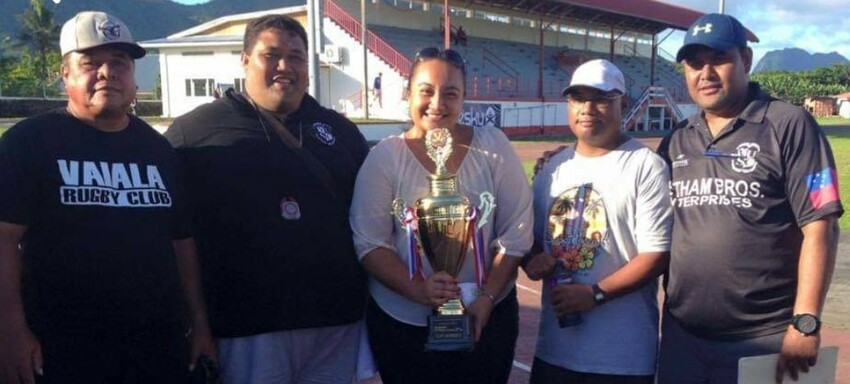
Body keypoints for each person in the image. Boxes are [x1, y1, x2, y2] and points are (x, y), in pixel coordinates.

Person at [0, 11, 215, 384]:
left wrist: (200, 325)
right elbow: (3, 239)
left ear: (132, 77)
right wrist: (10, 331)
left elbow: (182, 242)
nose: (107, 72)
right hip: (62, 348)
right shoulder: (30, 142)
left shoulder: (158, 150)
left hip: (156, 348)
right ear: (64, 73)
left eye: (119, 63)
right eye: (91, 63)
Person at [164, 14, 369, 383]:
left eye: (295, 57)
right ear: (244, 60)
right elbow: (176, 236)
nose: (284, 67)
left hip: (337, 323)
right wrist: (195, 323)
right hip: (246, 328)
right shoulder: (193, 133)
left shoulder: (341, 132)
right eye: (270, 55)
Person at [657, 13, 843, 384]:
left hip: (765, 339)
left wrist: (805, 322)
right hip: (683, 337)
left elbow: (821, 227)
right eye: (694, 63)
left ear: (745, 60)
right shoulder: (677, 138)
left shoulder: (790, 124)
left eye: (718, 59)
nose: (705, 73)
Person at [350, 47, 533, 384]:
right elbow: (369, 243)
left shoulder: (493, 147)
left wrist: (487, 298)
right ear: (408, 93)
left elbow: (517, 232)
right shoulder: (385, 158)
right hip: (404, 323)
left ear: (464, 98)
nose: (437, 103)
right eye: (426, 91)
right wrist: (417, 289)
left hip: (486, 318)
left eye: (451, 93)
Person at [523, 59, 672, 384]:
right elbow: (531, 241)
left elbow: (657, 254)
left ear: (624, 103)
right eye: (578, 98)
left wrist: (596, 294)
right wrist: (533, 259)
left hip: (622, 359)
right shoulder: (553, 169)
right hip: (555, 351)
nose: (588, 108)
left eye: (602, 98)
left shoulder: (645, 166)